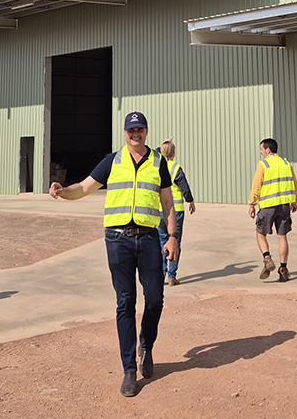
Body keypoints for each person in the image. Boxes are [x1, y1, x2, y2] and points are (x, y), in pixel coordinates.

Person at [49, 112, 179, 397]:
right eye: (131, 129)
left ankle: (146, 345)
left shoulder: (158, 163)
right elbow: (83, 187)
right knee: (125, 302)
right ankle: (129, 370)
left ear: (146, 131)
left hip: (147, 239)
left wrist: (172, 237)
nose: (136, 133)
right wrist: (62, 191)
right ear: (124, 132)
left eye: (140, 129)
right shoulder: (112, 161)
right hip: (117, 240)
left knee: (155, 298)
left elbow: (167, 201)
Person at [248, 138, 297, 282]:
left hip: (268, 206)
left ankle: (267, 258)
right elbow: (294, 183)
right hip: (284, 206)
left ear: (268, 150)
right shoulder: (286, 163)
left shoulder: (263, 164)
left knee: (260, 234)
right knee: (282, 237)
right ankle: (283, 270)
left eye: (261, 149)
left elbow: (256, 185)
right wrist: (295, 200)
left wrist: (252, 203)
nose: (260, 151)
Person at [156, 138, 196, 286]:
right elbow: (184, 187)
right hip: (176, 211)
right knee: (175, 242)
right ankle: (172, 276)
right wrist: (190, 201)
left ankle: (161, 274)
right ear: (173, 153)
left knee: (161, 242)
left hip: (159, 211)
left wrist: (161, 144)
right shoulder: (175, 168)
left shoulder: (156, 166)